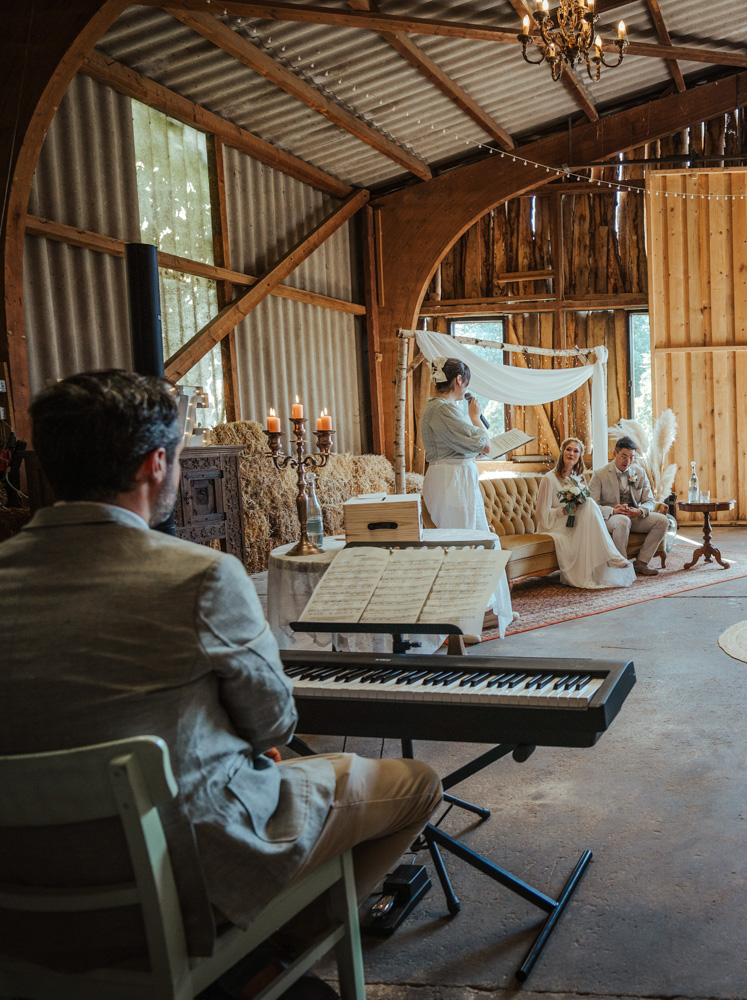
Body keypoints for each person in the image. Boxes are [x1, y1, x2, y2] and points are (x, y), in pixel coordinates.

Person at [0, 371, 442, 979]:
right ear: (157, 463)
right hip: (182, 882)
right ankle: (278, 949)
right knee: (415, 783)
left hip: (24, 903)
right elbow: (275, 721)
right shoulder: (200, 575)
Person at [535, 436, 635, 589]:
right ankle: (611, 555)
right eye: (568, 449)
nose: (571, 453)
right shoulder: (549, 479)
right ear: (562, 452)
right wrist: (563, 510)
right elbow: (541, 515)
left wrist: (574, 507)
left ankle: (608, 560)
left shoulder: (577, 478)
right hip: (553, 524)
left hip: (573, 521)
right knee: (589, 503)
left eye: (576, 451)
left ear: (579, 456)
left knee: (587, 502)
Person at [419, 356, 494, 532]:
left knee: (471, 536)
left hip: (457, 478)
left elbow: (465, 446)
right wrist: (475, 417)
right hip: (451, 480)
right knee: (460, 537)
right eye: (466, 384)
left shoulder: (444, 408)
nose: (466, 389)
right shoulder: (442, 409)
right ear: (459, 379)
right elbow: (485, 445)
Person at [594, 435, 671, 577]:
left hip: (633, 516)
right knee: (623, 521)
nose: (627, 461)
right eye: (624, 456)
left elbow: (650, 501)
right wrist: (613, 510)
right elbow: (591, 505)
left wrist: (640, 511)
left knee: (663, 521)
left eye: (631, 457)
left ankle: (641, 563)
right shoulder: (600, 474)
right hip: (611, 518)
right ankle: (621, 566)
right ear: (614, 454)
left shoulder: (639, 472)